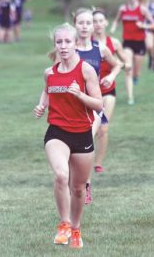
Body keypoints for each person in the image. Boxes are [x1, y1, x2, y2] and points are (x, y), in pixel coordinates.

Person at [34, 23, 103, 249]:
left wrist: (80, 94)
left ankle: (75, 228)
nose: (63, 46)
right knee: (61, 175)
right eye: (59, 42)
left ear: (75, 44)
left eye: (67, 42)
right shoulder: (49, 72)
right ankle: (63, 224)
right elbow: (47, 88)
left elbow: (99, 104)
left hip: (82, 133)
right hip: (57, 131)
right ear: (55, 45)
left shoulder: (85, 70)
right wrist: (41, 105)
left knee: (78, 188)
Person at [72, 8, 122, 204]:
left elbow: (117, 64)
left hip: (94, 104)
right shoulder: (69, 48)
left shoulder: (100, 48)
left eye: (89, 23)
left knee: (87, 140)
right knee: (75, 148)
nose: (85, 27)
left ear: (94, 27)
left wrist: (110, 76)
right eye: (81, 23)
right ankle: (77, 180)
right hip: (73, 105)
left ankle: (86, 184)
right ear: (75, 25)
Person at [92, 8, 131, 173]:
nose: (98, 24)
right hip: (90, 93)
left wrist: (126, 65)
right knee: (89, 129)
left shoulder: (113, 43)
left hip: (108, 91)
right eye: (95, 21)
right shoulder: (86, 43)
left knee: (103, 127)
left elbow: (125, 60)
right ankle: (82, 158)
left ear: (106, 23)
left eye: (101, 21)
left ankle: (98, 163)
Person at [110, 0, 154, 90]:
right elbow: (116, 21)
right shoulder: (122, 9)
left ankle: (136, 76)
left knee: (136, 71)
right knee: (128, 67)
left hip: (140, 43)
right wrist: (113, 28)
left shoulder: (142, 9)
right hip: (127, 42)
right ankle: (130, 84)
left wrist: (143, 25)